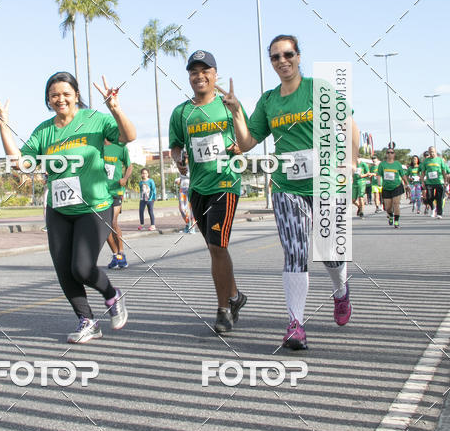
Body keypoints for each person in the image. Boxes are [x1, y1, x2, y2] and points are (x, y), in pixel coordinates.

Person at [218, 35, 358, 350]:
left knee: (331, 256)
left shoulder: (318, 89)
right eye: (275, 57)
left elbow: (349, 125)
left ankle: (340, 291)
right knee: (295, 252)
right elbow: (247, 142)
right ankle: (295, 323)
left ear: (298, 55)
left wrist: (350, 162)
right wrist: (237, 111)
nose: (282, 61)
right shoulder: (269, 101)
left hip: (325, 184)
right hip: (287, 187)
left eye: (287, 54)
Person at [0, 72, 135, 343]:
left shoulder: (95, 120)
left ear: (76, 96)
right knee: (63, 268)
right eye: (54, 95)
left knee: (81, 268)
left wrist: (115, 108)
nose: (60, 99)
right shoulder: (44, 130)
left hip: (93, 205)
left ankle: (111, 295)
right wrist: (3, 126)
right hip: (59, 208)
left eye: (66, 94)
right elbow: (22, 164)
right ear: (48, 99)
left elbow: (128, 136)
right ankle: (87, 321)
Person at [169, 50, 247, 334]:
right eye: (193, 72)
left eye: (205, 71)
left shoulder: (229, 105)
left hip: (225, 184)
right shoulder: (181, 112)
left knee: (217, 245)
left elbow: (246, 139)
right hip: (198, 187)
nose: (199, 76)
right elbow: (176, 145)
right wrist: (178, 158)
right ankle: (236, 296)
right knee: (216, 248)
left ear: (215, 75)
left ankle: (223, 309)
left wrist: (238, 145)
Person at [103, 138, 133, 268]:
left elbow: (129, 165)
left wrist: (125, 178)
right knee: (104, 226)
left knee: (113, 222)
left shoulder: (120, 147)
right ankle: (116, 255)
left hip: (116, 191)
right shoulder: (96, 147)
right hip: (100, 192)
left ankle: (122, 253)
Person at [377, 147, 408, 228]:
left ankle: (396, 221)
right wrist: (379, 182)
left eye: (392, 152)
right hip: (386, 187)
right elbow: (379, 174)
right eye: (388, 152)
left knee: (396, 203)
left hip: (397, 186)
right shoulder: (382, 164)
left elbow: (403, 175)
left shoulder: (397, 164)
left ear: (394, 154)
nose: (390, 154)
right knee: (388, 207)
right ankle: (390, 216)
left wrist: (407, 184)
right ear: (386, 154)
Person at [420, 146, 448, 218]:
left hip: (439, 181)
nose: (431, 153)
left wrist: (445, 181)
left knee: (439, 198)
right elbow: (423, 172)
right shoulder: (426, 161)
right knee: (429, 197)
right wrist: (422, 181)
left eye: (432, 151)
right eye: (430, 152)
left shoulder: (440, 160)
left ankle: (439, 213)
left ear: (435, 152)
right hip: (429, 182)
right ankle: (433, 208)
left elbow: (444, 171)